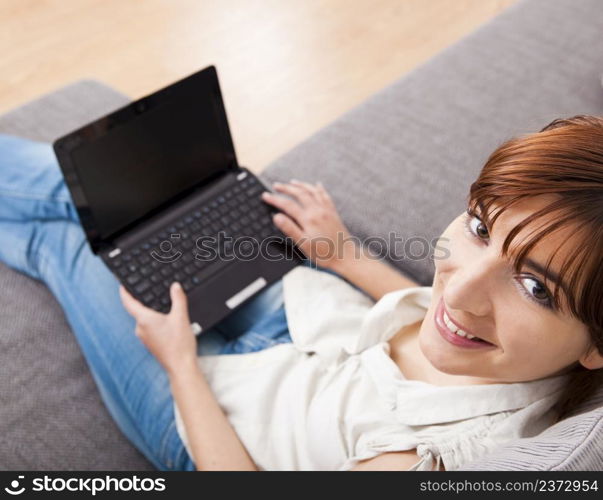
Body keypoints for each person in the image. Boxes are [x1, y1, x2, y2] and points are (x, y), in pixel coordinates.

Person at [0, 115, 602, 471]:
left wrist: (179, 366)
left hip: (219, 415)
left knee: (68, 245)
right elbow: (429, 310)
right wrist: (337, 248)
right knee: (134, 197)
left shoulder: (433, 462)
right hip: (307, 317)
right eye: (478, 227)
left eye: (533, 287)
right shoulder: (516, 348)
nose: (458, 286)